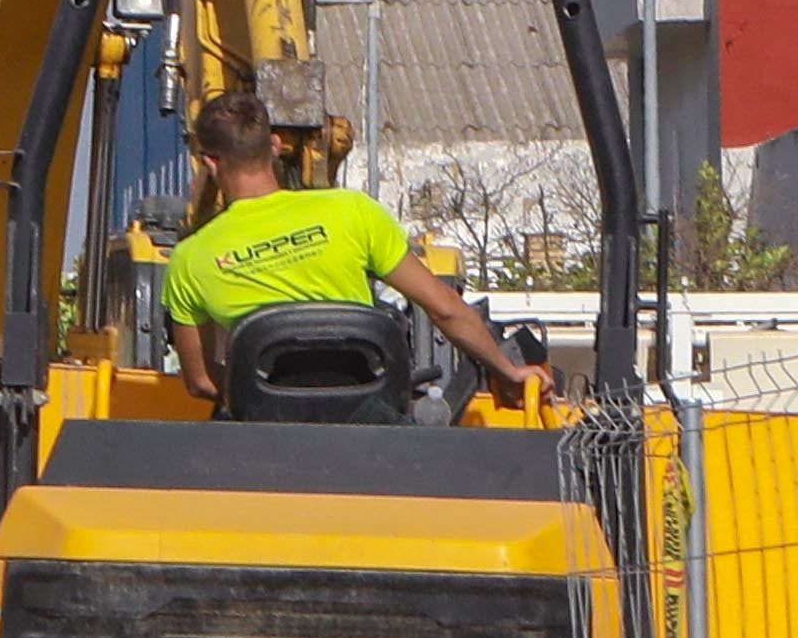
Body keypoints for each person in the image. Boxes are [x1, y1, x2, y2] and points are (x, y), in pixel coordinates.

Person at [157, 80, 543, 410]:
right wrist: (508, 370)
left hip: (266, 438)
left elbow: (202, 383)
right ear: (274, 144)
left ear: (209, 162)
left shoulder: (190, 258)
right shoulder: (352, 211)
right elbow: (445, 309)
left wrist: (263, 397)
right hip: (369, 423)